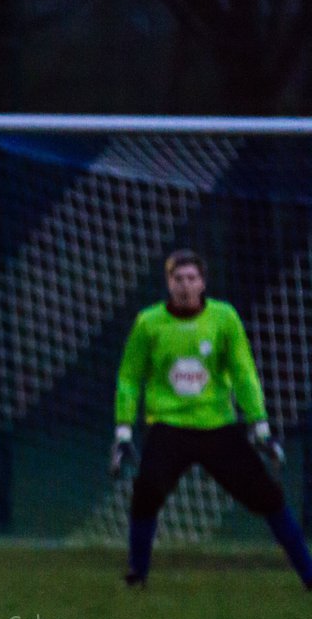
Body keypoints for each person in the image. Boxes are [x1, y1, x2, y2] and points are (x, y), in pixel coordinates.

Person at [109, 248, 312, 589]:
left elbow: (243, 371)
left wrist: (259, 425)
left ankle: (308, 574)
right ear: (168, 283)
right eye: (178, 279)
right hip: (169, 427)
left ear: (203, 282)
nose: (185, 286)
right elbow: (129, 378)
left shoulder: (223, 318)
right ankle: (136, 575)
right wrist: (124, 431)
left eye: (191, 278)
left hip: (218, 428)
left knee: (269, 497)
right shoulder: (148, 323)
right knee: (146, 493)